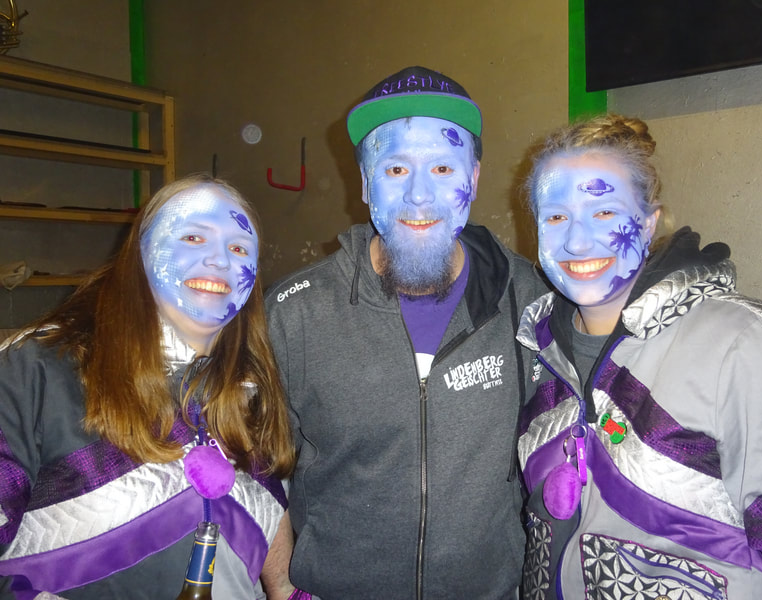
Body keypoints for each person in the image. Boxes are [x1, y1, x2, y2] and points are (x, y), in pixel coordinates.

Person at [265, 66, 548, 599]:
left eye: (442, 167)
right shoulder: (293, 313)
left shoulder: (528, 297)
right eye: (396, 169)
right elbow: (252, 463)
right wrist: (282, 586)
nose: (419, 196)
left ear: (474, 178)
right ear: (365, 184)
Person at [516, 114, 762, 599]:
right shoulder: (536, 351)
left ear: (649, 223)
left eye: (604, 213)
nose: (577, 241)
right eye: (556, 217)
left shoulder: (745, 345)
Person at [0, 174, 298, 599]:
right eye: (193, 237)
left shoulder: (249, 387)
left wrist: (288, 589)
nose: (219, 260)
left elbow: (270, 524)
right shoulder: (37, 367)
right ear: (140, 253)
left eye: (238, 248)